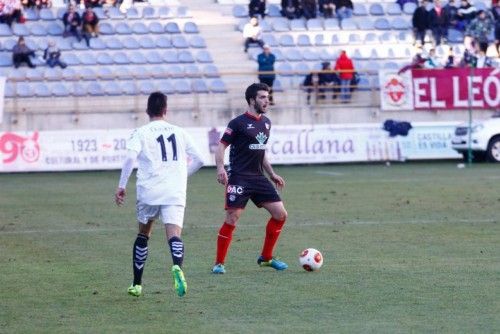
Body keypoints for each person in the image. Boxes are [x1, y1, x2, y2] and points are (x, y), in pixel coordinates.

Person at [115, 92, 204, 298]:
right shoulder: (180, 132)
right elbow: (199, 159)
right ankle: (176, 266)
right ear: (166, 110)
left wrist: (121, 186)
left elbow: (130, 158)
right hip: (174, 191)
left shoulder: (140, 132)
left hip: (149, 190)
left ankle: (137, 284)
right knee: (174, 235)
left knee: (144, 234)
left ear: (147, 111)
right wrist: (182, 176)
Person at [211, 83, 288, 275]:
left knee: (281, 214)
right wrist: (221, 167)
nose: (266, 100)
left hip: (258, 177)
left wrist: (272, 174)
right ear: (252, 100)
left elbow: (260, 152)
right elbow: (221, 147)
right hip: (239, 177)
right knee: (232, 217)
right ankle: (219, 263)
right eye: (262, 97)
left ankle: (266, 258)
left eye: (267, 96)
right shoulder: (237, 123)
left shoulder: (266, 123)